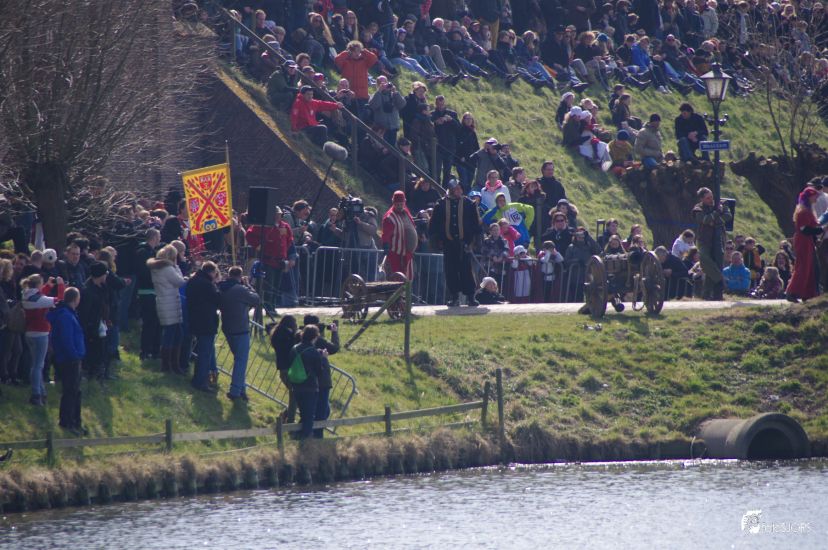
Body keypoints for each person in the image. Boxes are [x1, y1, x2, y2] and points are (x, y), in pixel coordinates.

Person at [429, 178, 481, 307]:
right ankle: (454, 297)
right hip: (449, 243)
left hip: (464, 244)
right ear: (451, 190)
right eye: (456, 189)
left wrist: (475, 242)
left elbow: (476, 224)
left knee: (466, 270)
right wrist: (436, 241)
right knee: (450, 271)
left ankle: (470, 297)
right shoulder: (441, 204)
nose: (458, 191)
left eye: (459, 188)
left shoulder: (469, 204)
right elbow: (434, 224)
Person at [47, 287, 87, 435]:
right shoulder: (65, 315)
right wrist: (74, 355)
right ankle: (67, 422)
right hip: (69, 359)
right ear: (75, 299)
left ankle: (76, 421)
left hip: (71, 358)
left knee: (76, 391)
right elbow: (66, 339)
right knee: (70, 391)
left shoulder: (69, 314)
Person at [219, 266, 261, 402]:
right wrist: (248, 285)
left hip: (227, 327)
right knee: (241, 361)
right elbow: (256, 299)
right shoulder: (240, 289)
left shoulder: (222, 287)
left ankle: (242, 389)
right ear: (240, 276)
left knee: (238, 359)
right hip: (240, 329)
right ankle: (235, 391)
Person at [22, 274, 64, 405]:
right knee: (37, 366)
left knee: (36, 365)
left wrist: (48, 286)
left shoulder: (26, 295)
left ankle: (41, 392)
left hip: (29, 333)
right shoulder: (40, 299)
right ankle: (36, 394)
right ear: (38, 284)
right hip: (40, 334)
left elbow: (39, 296)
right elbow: (59, 300)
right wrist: (61, 285)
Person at [245, 206, 298, 308]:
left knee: (277, 285)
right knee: (269, 285)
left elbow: (289, 240)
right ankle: (268, 306)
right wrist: (258, 246)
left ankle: (273, 305)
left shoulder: (285, 226)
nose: (278, 216)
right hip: (268, 260)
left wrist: (286, 253)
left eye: (279, 214)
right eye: (276, 214)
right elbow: (249, 235)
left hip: (280, 261)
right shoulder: (262, 226)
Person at [148, 245, 187, 374]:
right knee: (172, 334)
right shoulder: (168, 268)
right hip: (170, 303)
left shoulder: (157, 268)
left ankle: (170, 364)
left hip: (164, 302)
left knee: (174, 333)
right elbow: (179, 281)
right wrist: (178, 267)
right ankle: (169, 365)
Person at [302, 315, 339, 439]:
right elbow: (334, 347)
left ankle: (306, 433)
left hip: (305, 381)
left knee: (316, 410)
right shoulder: (318, 341)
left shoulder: (299, 338)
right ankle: (317, 437)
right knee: (322, 411)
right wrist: (334, 332)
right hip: (321, 381)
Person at [187, 261, 221, 393]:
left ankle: (201, 378)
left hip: (194, 318)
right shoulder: (207, 284)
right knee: (204, 353)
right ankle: (200, 381)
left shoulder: (193, 280)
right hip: (206, 321)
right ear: (212, 272)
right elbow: (217, 300)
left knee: (201, 351)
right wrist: (217, 287)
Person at [692, 187, 732, 300]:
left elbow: (728, 216)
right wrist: (717, 212)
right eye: (708, 198)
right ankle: (721, 280)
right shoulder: (698, 208)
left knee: (715, 264)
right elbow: (704, 220)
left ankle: (709, 294)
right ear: (702, 199)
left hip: (719, 238)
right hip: (704, 240)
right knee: (705, 260)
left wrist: (714, 220)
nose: (711, 200)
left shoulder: (720, 204)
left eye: (711, 197)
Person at [786, 188, 825, 302]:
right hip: (803, 242)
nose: (816, 198)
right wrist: (821, 230)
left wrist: (815, 237)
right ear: (809, 197)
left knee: (811, 267)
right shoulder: (804, 212)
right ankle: (792, 292)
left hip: (807, 241)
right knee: (803, 266)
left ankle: (808, 293)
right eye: (815, 196)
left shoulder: (808, 211)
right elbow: (805, 229)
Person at [290, 324, 324, 440]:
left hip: (296, 386)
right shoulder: (313, 352)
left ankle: (298, 437)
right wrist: (323, 358)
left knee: (303, 413)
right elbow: (319, 372)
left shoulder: (294, 348)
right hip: (310, 387)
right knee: (309, 416)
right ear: (314, 337)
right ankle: (306, 442)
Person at [77, 262, 110, 382]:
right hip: (91, 327)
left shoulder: (101, 287)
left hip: (99, 324)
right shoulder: (87, 291)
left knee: (101, 350)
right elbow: (85, 313)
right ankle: (91, 375)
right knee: (92, 352)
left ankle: (100, 373)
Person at [135, 229, 162, 360]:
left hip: (154, 291)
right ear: (154, 237)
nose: (160, 239)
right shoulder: (143, 252)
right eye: (159, 236)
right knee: (149, 323)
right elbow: (144, 272)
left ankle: (154, 350)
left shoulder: (153, 252)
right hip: (146, 291)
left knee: (156, 323)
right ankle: (145, 351)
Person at [381, 191, 418, 280]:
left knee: (407, 279)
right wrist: (385, 244)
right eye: (397, 204)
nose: (400, 206)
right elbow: (386, 234)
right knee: (395, 278)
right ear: (393, 203)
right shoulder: (389, 217)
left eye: (401, 204)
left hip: (407, 254)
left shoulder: (406, 212)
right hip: (395, 254)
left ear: (404, 202)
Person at [271, 315, 299, 423]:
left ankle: (286, 416)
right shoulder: (287, 336)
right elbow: (292, 348)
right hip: (289, 369)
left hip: (283, 369)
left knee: (295, 395)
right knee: (295, 396)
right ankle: (290, 420)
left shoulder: (277, 334)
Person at [431, 95, 461, 185]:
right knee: (437, 170)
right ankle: (437, 187)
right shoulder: (432, 114)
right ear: (436, 104)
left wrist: (451, 120)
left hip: (450, 146)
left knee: (447, 170)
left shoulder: (452, 114)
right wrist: (435, 123)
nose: (441, 106)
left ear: (445, 104)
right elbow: (428, 128)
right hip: (437, 146)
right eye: (439, 104)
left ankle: (444, 189)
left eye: (442, 104)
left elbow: (459, 128)